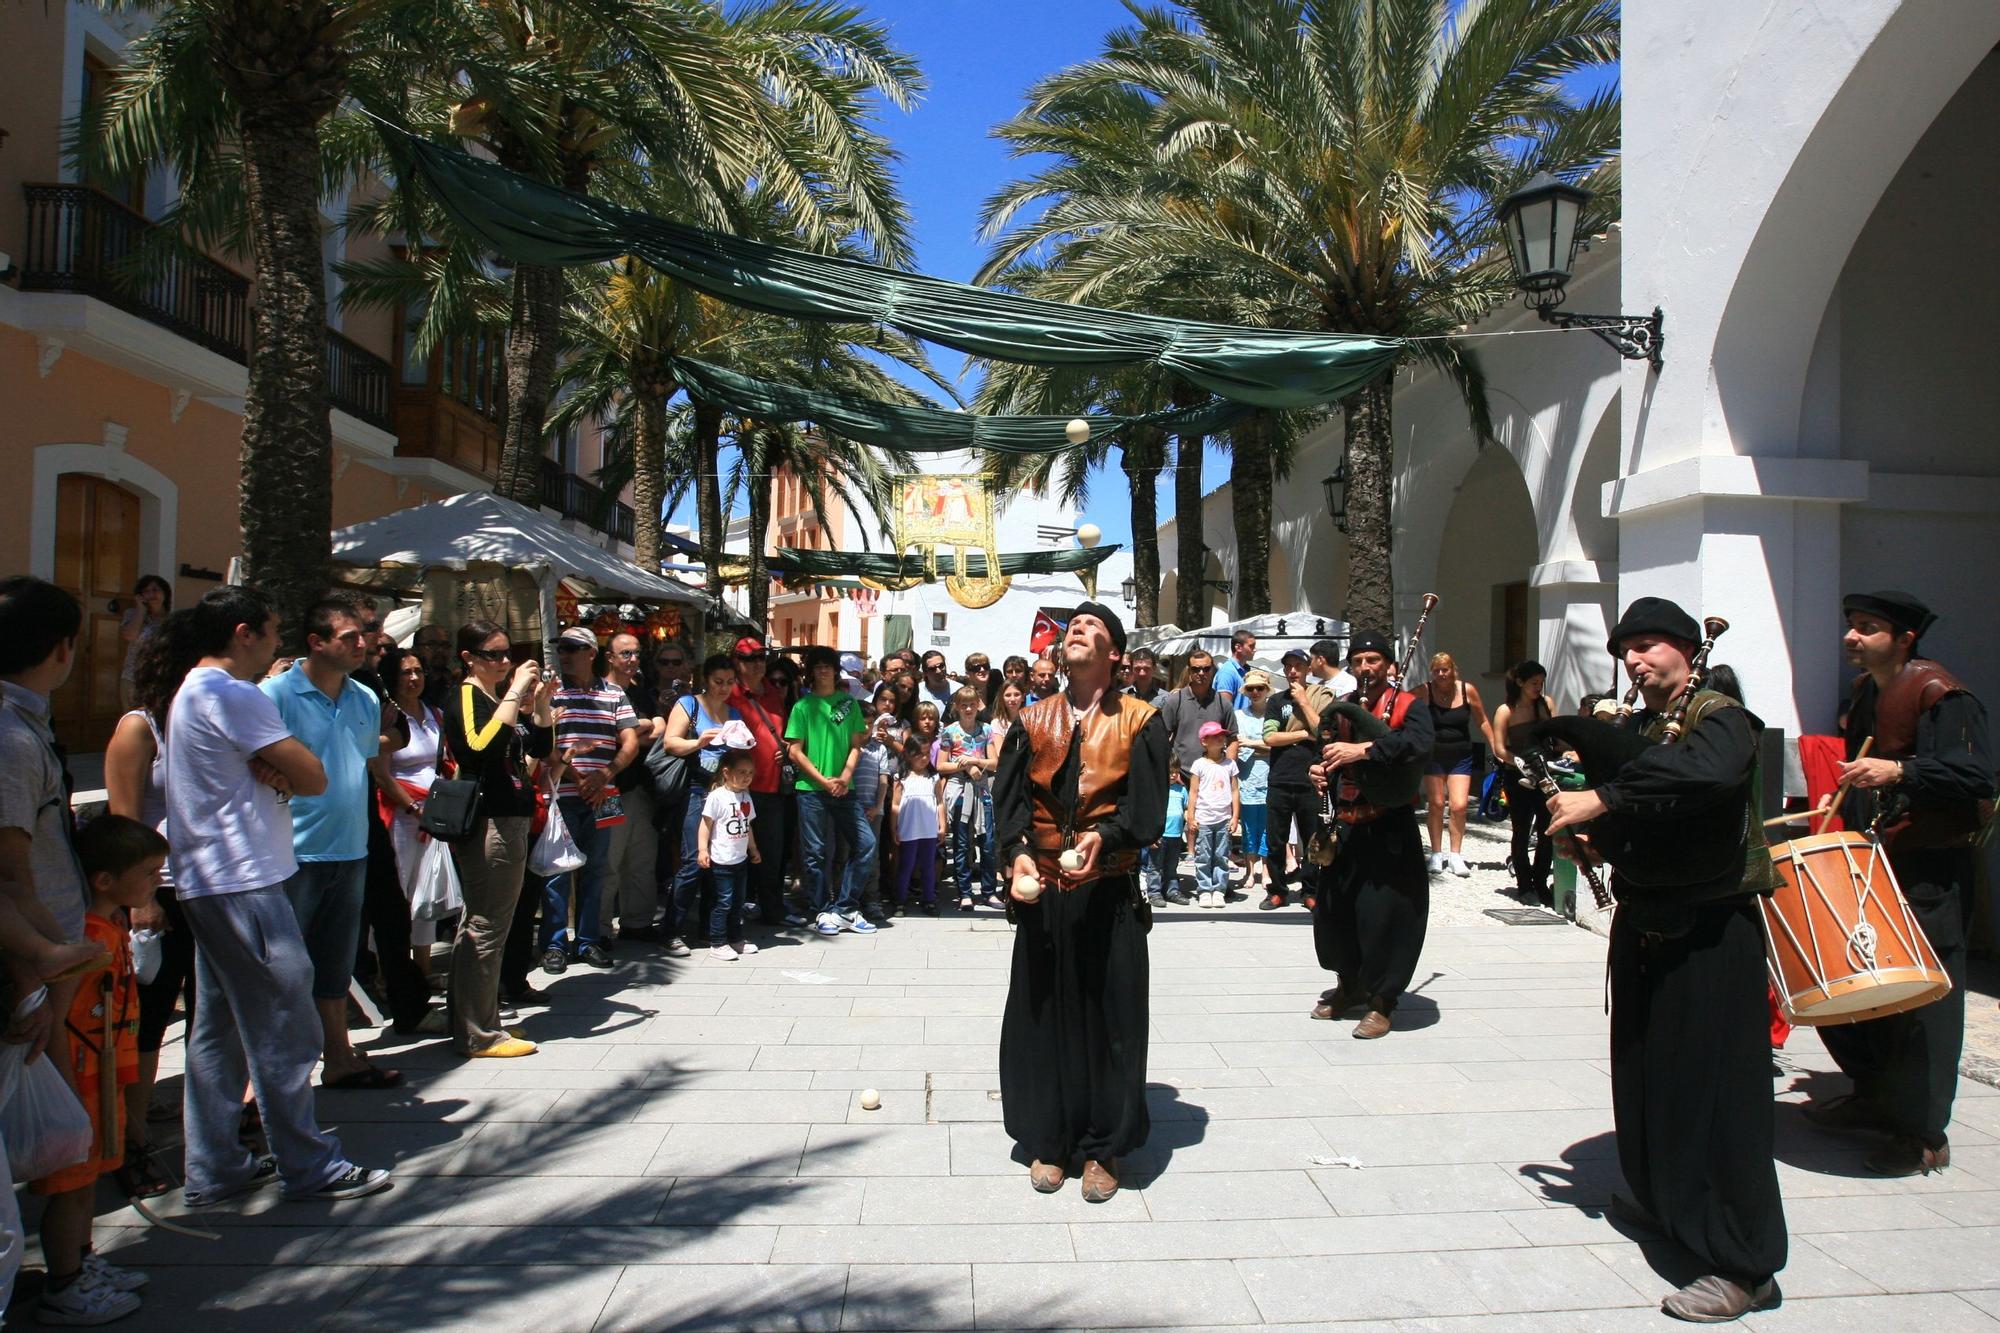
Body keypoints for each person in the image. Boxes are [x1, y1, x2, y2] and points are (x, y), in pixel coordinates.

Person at [1543, 596, 1787, 1322]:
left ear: (1687, 649)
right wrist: (1595, 835)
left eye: (1649, 645)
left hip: (1712, 932)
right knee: (1650, 1084)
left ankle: (1747, 1264)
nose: (1636, 660)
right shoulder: (1644, 728)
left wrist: (1604, 796)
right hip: (1647, 926)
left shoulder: (1723, 717)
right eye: (1628, 650)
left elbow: (1705, 779)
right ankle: (1674, 1209)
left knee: (1722, 1101)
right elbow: (1652, 823)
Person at [166, 585, 392, 1204]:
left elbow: (301, 773)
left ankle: (214, 1165)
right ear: (245, 633)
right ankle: (306, 1162)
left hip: (218, 877)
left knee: (218, 1030)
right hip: (245, 878)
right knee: (285, 1027)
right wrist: (287, 771)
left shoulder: (194, 689)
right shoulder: (233, 694)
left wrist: (280, 773)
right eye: (270, 627)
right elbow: (313, 774)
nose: (277, 640)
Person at [1806, 590, 1993, 1178]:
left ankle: (1923, 1134)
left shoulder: (1941, 692)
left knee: (1927, 1000)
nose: (1852, 638)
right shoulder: (1868, 692)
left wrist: (1901, 769)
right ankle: (1875, 1095)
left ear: (1906, 637)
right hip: (1879, 861)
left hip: (1931, 868)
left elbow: (1977, 773)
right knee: (1852, 982)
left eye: (1867, 628)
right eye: (1851, 627)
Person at [996, 601, 1165, 1202]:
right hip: (1043, 890)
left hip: (1108, 889)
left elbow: (1146, 812)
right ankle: (1051, 1136)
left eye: (1094, 628)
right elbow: (1009, 803)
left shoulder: (1142, 719)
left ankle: (1101, 1146)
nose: (1079, 631)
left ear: (1115, 654)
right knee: (1042, 1011)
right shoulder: (1032, 717)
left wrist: (1106, 837)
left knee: (1108, 1016)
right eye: (1075, 627)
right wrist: (1015, 854)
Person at [259, 595, 397, 1091]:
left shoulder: (364, 696)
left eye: (364, 634)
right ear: (316, 643)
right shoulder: (273, 695)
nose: (364, 643)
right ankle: (268, 1078)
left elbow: (361, 763)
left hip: (351, 849)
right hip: (290, 852)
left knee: (335, 964)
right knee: (280, 970)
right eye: (350, 637)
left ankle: (338, 1056)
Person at [31, 815, 160, 1325]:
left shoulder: (112, 926)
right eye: (149, 873)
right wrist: (65, 1089)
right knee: (72, 1184)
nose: (156, 882)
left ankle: (82, 1264)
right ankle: (63, 1284)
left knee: (91, 1176)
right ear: (104, 879)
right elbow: (59, 1016)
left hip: (106, 1073)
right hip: (81, 1076)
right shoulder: (85, 936)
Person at [102, 611, 199, 1199]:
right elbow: (122, 821)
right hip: (153, 894)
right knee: (149, 1019)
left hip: (199, 888)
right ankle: (131, 1144)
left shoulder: (191, 723)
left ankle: (187, 1128)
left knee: (202, 1011)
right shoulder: (138, 729)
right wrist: (139, 903)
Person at [1308, 630, 1433, 1039]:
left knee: (1385, 917)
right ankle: (1351, 984)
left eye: (1374, 660)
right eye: (1359, 660)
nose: (1366, 668)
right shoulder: (1343, 711)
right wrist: (1320, 770)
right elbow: (1325, 752)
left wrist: (1362, 751)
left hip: (1388, 827)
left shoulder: (1409, 706)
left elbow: (1417, 745)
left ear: (1389, 666)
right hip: (1345, 825)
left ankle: (1382, 1001)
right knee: (1335, 912)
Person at [442, 619, 554, 1060]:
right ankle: (478, 1032)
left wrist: (540, 704)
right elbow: (477, 748)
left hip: (510, 819)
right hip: (489, 822)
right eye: (493, 654)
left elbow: (540, 748)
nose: (505, 662)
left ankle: (474, 1020)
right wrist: (514, 693)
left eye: (507, 653)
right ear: (468, 658)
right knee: (486, 926)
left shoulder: (494, 698)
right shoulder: (468, 696)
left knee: (488, 923)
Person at [541, 627, 638, 973]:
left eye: (572, 648)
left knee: (596, 871)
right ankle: (554, 944)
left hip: (604, 795)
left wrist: (606, 775)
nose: (564, 654)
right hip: (563, 794)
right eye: (561, 647)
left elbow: (630, 741)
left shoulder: (613, 694)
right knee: (556, 873)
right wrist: (579, 777)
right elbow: (543, 744)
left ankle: (587, 940)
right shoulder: (551, 694)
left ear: (591, 653)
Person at [367, 646, 450, 1010]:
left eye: (418, 671)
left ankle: (424, 967)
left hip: (431, 814)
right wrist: (412, 806)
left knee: (425, 891)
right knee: (397, 895)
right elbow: (380, 771)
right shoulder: (387, 717)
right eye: (406, 672)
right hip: (400, 815)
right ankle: (389, 973)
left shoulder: (434, 714)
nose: (414, 678)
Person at [788, 647, 877, 937]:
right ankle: (821, 909)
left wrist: (844, 777)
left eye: (829, 665)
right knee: (814, 853)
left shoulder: (849, 704)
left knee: (865, 844)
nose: (824, 670)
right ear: (811, 671)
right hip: (810, 789)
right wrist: (824, 780)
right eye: (818, 666)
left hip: (844, 788)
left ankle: (846, 907)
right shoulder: (802, 707)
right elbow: (795, 751)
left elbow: (856, 745)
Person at [662, 653, 745, 955]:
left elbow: (738, 754)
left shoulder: (734, 713)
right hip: (695, 789)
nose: (724, 688)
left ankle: (711, 931)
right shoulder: (689, 704)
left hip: (724, 793)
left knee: (720, 863)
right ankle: (671, 929)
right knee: (692, 861)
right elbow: (670, 743)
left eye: (729, 682)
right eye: (718, 682)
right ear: (705, 680)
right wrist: (698, 742)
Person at [604, 633, 666, 946]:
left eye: (636, 654)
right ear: (610, 657)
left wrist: (629, 731)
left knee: (642, 859)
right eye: (625, 653)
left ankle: (637, 923)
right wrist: (637, 730)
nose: (632, 659)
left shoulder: (640, 693)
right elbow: (610, 736)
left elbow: (661, 727)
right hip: (611, 789)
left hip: (642, 787)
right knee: (608, 862)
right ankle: (599, 929)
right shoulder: (599, 692)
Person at [729, 639, 795, 928]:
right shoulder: (730, 692)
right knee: (734, 852)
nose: (756, 663)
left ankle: (771, 909)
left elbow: (782, 732)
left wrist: (785, 748)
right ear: (736, 661)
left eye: (760, 657)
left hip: (772, 788)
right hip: (739, 788)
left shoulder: (771, 692)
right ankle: (730, 913)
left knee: (773, 854)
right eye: (748, 658)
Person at [1262, 648, 1328, 911]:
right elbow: (1270, 738)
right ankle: (1277, 890)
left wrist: (1303, 702)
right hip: (1279, 779)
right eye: (1288, 666)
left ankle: (1311, 890)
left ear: (1308, 669)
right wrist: (1301, 735)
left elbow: (1323, 732)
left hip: (1310, 780)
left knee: (1312, 839)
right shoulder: (1275, 702)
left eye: (1297, 666)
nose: (1292, 671)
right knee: (1276, 840)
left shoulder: (1318, 698)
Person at [1421, 652, 1494, 878]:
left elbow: (1481, 719)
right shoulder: (1425, 691)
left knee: (1459, 805)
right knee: (1435, 803)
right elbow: (1404, 706)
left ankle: (1455, 854)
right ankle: (1436, 853)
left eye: (1445, 669)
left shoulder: (1467, 690)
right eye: (1436, 670)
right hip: (1433, 755)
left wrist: (1495, 745)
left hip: (1461, 755)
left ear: (1453, 670)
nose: (1441, 674)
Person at [1490, 660, 1555, 907]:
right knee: (1521, 829)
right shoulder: (1506, 710)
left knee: (1547, 829)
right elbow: (1498, 748)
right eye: (1533, 683)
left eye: (1541, 683)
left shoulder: (1546, 705)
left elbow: (1555, 737)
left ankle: (1541, 882)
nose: (1538, 688)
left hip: (1544, 773)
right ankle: (1524, 885)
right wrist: (1518, 762)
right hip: (1518, 776)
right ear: (1520, 683)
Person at [697, 747, 761, 961]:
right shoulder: (717, 797)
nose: (747, 777)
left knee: (737, 902)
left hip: (740, 859)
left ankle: (736, 938)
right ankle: (717, 941)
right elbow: (705, 825)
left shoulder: (746, 797)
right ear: (726, 772)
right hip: (721, 860)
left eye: (750, 773)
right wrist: (703, 849)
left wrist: (753, 849)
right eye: (741, 772)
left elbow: (748, 825)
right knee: (723, 902)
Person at [940, 686, 998, 911]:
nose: (967, 709)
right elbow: (941, 765)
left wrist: (973, 762)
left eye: (971, 704)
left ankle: (988, 891)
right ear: (956, 707)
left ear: (977, 706)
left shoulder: (986, 729)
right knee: (962, 844)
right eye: (963, 705)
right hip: (960, 791)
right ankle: (964, 892)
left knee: (988, 842)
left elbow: (994, 762)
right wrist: (962, 766)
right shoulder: (949, 731)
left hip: (982, 790)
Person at [1233, 668, 1275, 898]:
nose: (1256, 692)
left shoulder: (1274, 713)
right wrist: (1260, 746)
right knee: (1249, 827)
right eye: (1251, 689)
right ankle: (1250, 871)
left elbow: (1275, 746)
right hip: (1247, 777)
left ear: (1267, 690)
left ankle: (1266, 869)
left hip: (1270, 777)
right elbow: (1239, 746)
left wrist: (1251, 744)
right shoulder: (1239, 715)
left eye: (1260, 688)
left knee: (1268, 826)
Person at [1189, 720, 1240, 909]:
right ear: (1204, 741)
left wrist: (1235, 816)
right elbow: (1193, 791)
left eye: (1222, 736)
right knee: (1203, 855)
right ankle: (1204, 889)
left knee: (1221, 855)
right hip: (1204, 818)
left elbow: (1235, 791)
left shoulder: (1230, 765)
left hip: (1223, 818)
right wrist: (1191, 816)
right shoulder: (1199, 764)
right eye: (1216, 736)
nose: (1221, 738)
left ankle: (1219, 889)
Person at [1159, 649, 1235, 773]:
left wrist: (1227, 771)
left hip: (1214, 776)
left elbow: (1233, 740)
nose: (1201, 673)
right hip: (1181, 776)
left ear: (1212, 670)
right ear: (1189, 671)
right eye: (1196, 669)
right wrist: (1172, 771)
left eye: (1206, 669)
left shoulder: (1224, 703)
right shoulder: (1174, 701)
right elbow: (1161, 740)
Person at [892, 736, 944, 913]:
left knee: (928, 865)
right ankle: (900, 900)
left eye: (927, 753)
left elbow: (939, 802)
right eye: (919, 754)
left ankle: (929, 899)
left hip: (929, 829)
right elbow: (895, 804)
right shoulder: (902, 777)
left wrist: (942, 825)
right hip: (908, 829)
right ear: (908, 754)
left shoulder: (933, 777)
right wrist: (894, 827)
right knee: (906, 865)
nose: (924, 758)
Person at [118, 574, 172, 710]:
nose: (151, 594)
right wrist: (141, 610)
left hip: (161, 680)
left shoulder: (173, 620)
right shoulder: (132, 614)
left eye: (155, 590)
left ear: (165, 593)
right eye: (146, 591)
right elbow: (130, 635)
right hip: (133, 678)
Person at [1151, 755, 1191, 906]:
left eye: (1176, 771)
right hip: (1160, 835)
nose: (1174, 775)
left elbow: (1186, 809)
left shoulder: (1181, 790)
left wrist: (1191, 820)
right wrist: (1152, 835)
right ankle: (1154, 892)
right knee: (1155, 866)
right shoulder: (1157, 791)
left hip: (1176, 835)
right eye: (1170, 772)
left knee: (1172, 866)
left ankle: (1172, 891)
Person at [413, 623, 454, 711]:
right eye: (432, 645)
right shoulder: (410, 683)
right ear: (416, 649)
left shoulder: (455, 684)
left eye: (445, 645)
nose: (440, 650)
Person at [1214, 629, 1257, 702]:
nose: (1255, 649)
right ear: (1238, 648)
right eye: (1251, 646)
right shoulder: (1227, 673)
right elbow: (1224, 709)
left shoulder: (1244, 670)